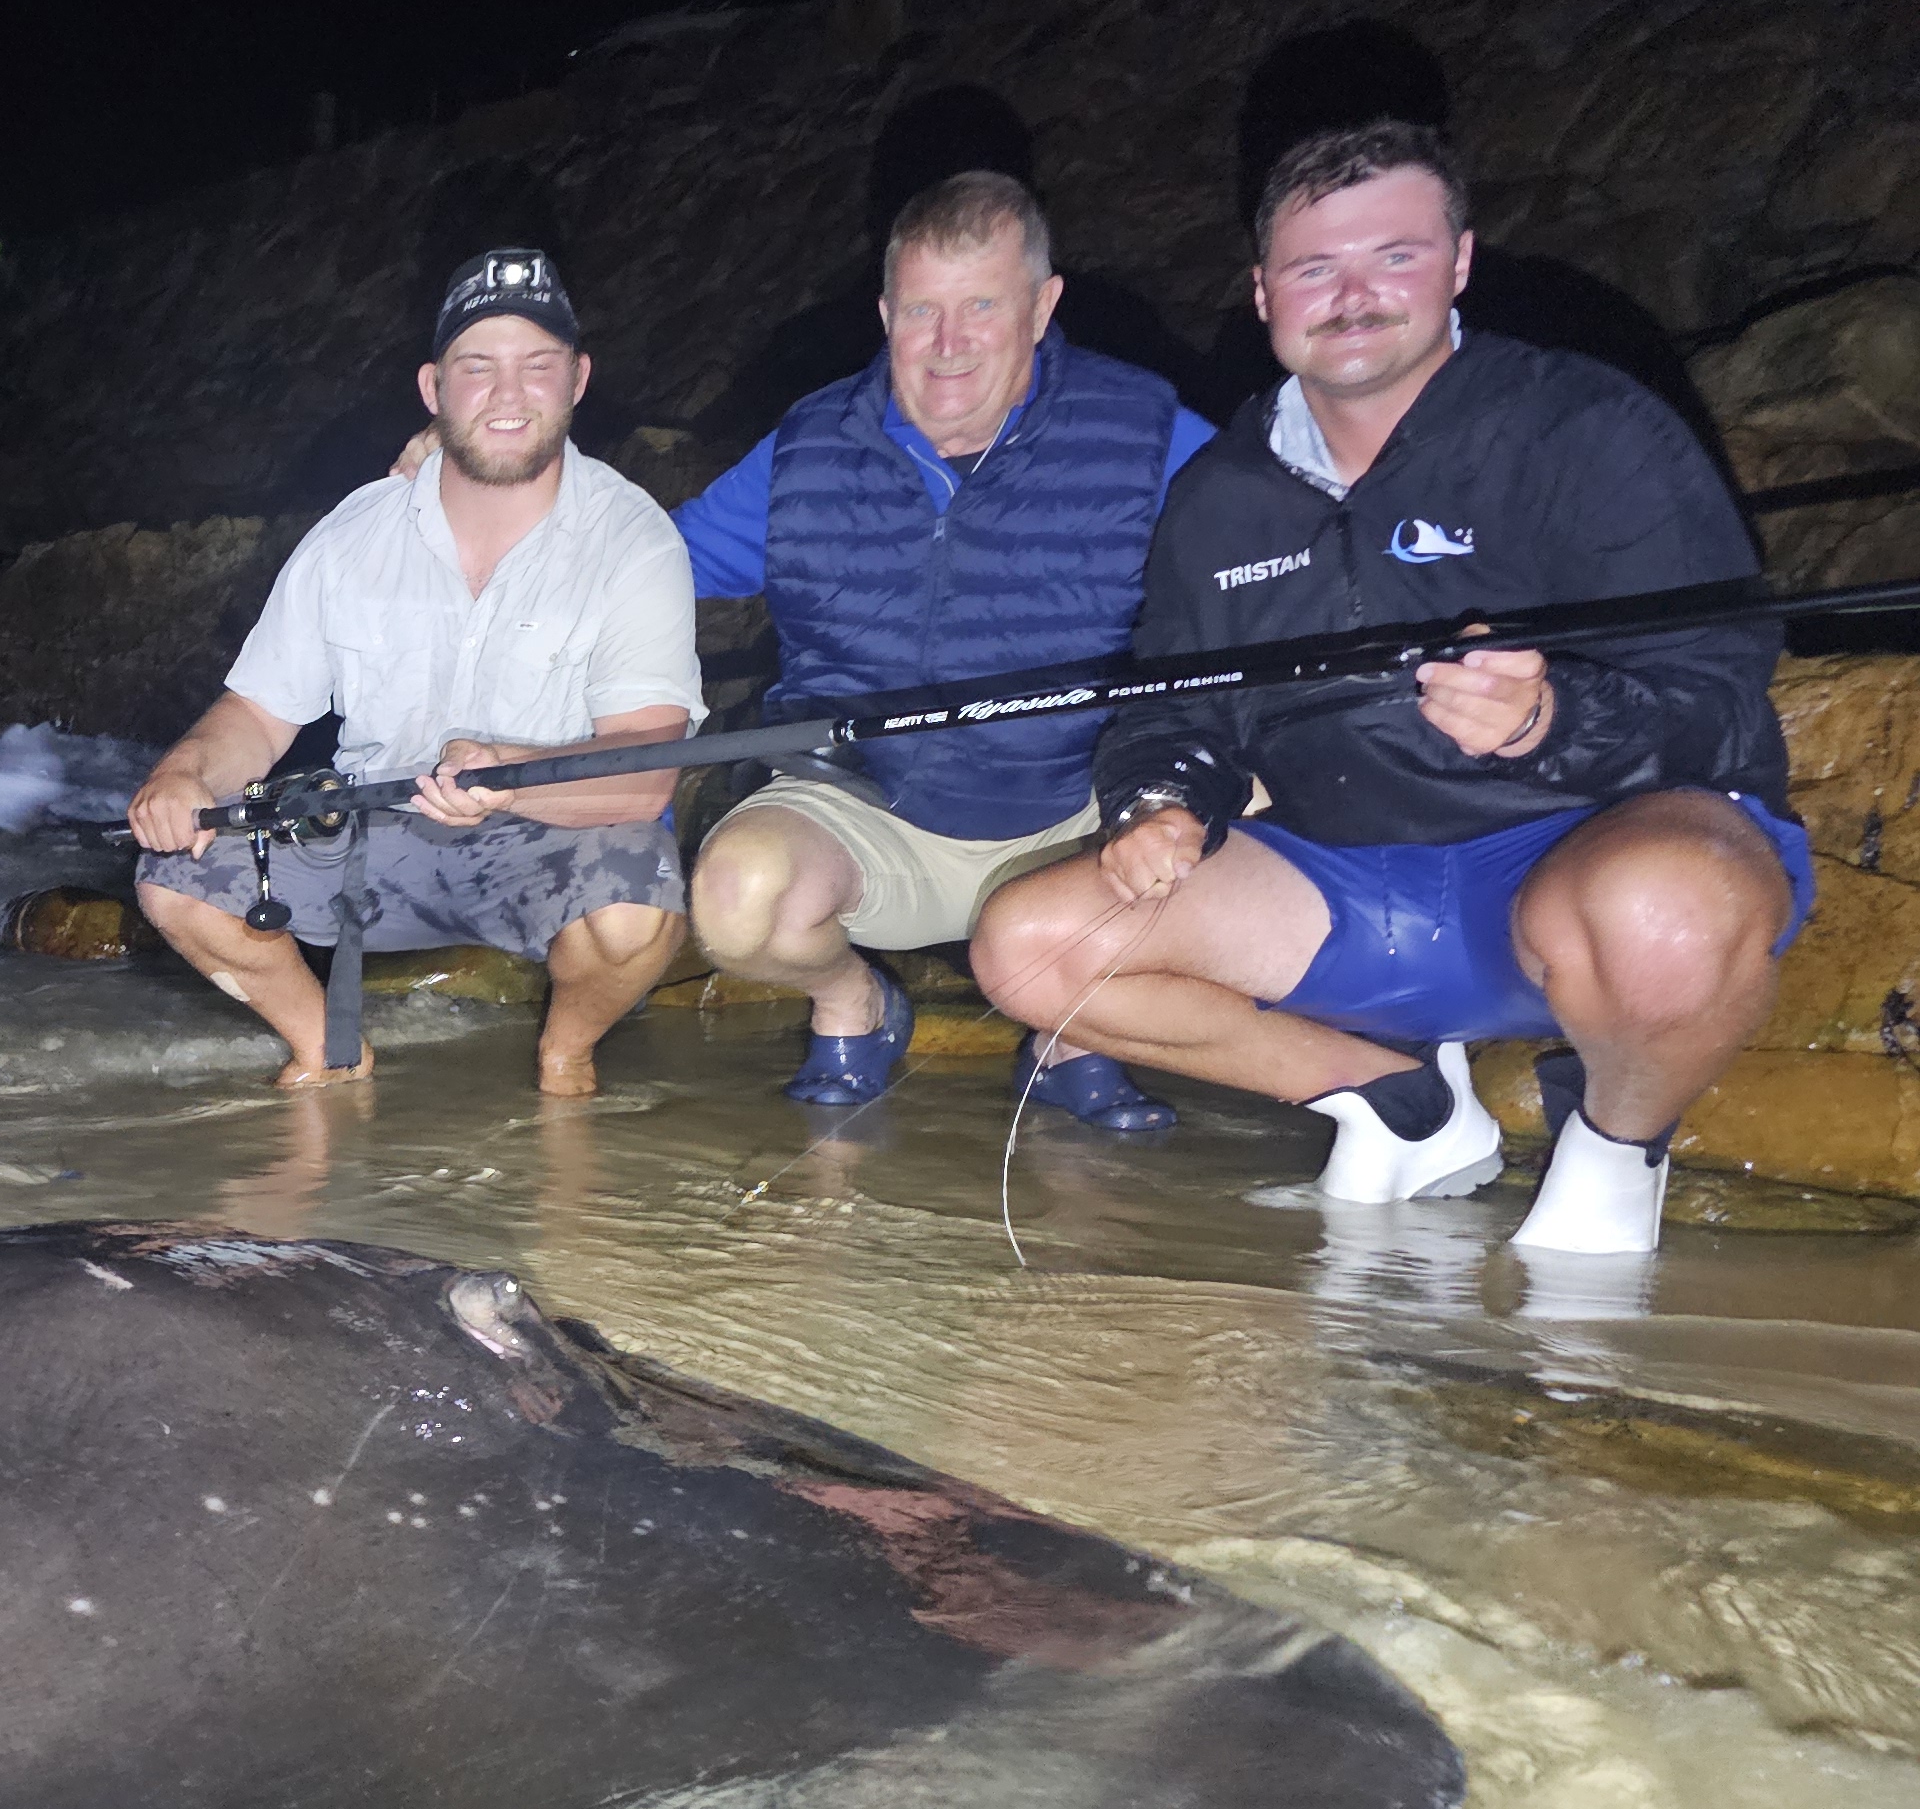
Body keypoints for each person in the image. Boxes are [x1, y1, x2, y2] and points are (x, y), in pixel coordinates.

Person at [969, 120, 1807, 1259]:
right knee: (1029, 942)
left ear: (1458, 264)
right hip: (1344, 890)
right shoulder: (1219, 493)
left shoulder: (1587, 427)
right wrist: (1159, 799)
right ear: (1264, 292)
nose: (1353, 296)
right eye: (1315, 267)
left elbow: (1722, 690)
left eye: (1394, 257)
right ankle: (1397, 1102)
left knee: (1664, 908)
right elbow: (1174, 705)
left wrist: (1550, 719)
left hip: (1575, 856)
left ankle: (1616, 1147)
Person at [667, 168, 1218, 1123]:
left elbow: (1278, 551)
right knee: (736, 898)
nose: (948, 343)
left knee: (1248, 805)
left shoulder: (1147, 430)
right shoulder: (809, 443)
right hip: (866, 805)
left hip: (1076, 811)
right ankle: (855, 1005)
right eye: (923, 310)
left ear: (1042, 308)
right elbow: (648, 566)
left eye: (982, 307)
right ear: (887, 315)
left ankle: (1073, 1034)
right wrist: (478, 491)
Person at [125, 248, 700, 1094]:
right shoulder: (352, 533)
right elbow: (257, 713)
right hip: (373, 830)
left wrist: (509, 775)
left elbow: (645, 774)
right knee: (175, 880)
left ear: (578, 380)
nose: (508, 395)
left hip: (552, 834)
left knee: (635, 907)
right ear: (434, 389)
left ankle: (567, 1052)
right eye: (478, 367)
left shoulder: (635, 538)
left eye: (537, 365)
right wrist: (183, 774)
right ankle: (328, 1049)